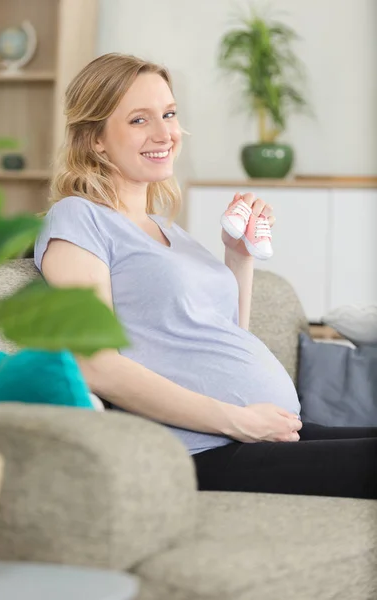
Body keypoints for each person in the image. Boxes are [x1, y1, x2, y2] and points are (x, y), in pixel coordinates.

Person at [34, 53, 377, 500]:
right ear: (96, 139)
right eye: (139, 120)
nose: (165, 134)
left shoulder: (170, 231)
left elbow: (222, 336)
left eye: (169, 114)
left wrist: (238, 256)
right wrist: (238, 419)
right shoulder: (78, 218)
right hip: (202, 451)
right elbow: (95, 364)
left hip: (257, 432)